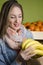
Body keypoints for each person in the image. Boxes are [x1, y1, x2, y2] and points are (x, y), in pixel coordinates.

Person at [0, 0, 41, 65]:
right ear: (5, 18)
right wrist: (18, 60)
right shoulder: (1, 42)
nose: (17, 21)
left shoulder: (28, 34)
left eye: (20, 16)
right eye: (12, 17)